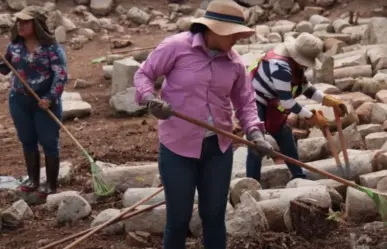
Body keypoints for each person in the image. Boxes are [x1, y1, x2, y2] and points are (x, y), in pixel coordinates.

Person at [133, 1, 273, 248]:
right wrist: (150, 99)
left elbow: (246, 104)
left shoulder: (235, 64)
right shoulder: (176, 47)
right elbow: (144, 74)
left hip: (217, 150)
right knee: (178, 219)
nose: (237, 39)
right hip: (178, 148)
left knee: (214, 216)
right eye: (233, 33)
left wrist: (255, 133)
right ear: (214, 29)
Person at [245, 32, 348, 182]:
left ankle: (298, 176)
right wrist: (311, 116)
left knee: (285, 135)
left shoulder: (297, 66)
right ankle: (251, 182)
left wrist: (326, 99)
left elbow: (305, 88)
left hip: (272, 101)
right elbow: (287, 102)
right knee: (256, 142)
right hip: (255, 99)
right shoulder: (281, 67)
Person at [0, 6, 68, 199]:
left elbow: (60, 75)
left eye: (25, 22)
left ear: (36, 24)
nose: (20, 25)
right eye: (18, 22)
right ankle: (33, 180)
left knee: (48, 142)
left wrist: (50, 98)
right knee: (27, 140)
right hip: (19, 100)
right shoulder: (15, 46)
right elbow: (6, 68)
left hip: (44, 102)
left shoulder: (52, 48)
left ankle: (51, 185)